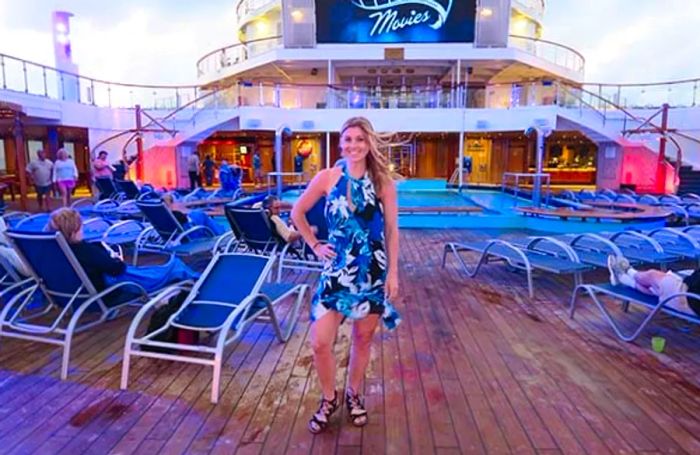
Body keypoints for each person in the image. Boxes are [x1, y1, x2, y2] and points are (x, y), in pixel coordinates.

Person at [290, 116, 401, 434]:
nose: (353, 145)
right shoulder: (327, 177)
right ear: (340, 143)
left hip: (371, 273)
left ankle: (353, 394)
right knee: (320, 343)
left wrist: (393, 273)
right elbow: (297, 212)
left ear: (369, 144)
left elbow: (392, 230)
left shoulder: (383, 183)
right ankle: (329, 398)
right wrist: (313, 245)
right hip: (336, 273)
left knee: (362, 338)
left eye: (360, 140)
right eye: (348, 139)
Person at [47, 208, 199, 294]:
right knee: (174, 267)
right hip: (115, 286)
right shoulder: (84, 250)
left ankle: (194, 277)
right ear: (74, 229)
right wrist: (115, 258)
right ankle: (200, 281)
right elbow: (116, 269)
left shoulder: (53, 250)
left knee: (160, 269)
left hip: (74, 292)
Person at [607, 255, 700, 316]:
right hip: (692, 305)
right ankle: (622, 277)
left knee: (653, 275)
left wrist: (682, 298)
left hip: (686, 300)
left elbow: (688, 282)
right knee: (656, 288)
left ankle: (629, 271)